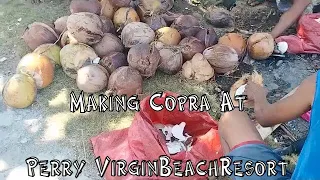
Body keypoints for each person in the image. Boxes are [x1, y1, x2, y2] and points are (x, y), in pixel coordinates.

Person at [219, 71, 319, 179]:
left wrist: (258, 94)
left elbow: (265, 117)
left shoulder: (315, 83)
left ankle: (231, 173)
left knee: (230, 117)